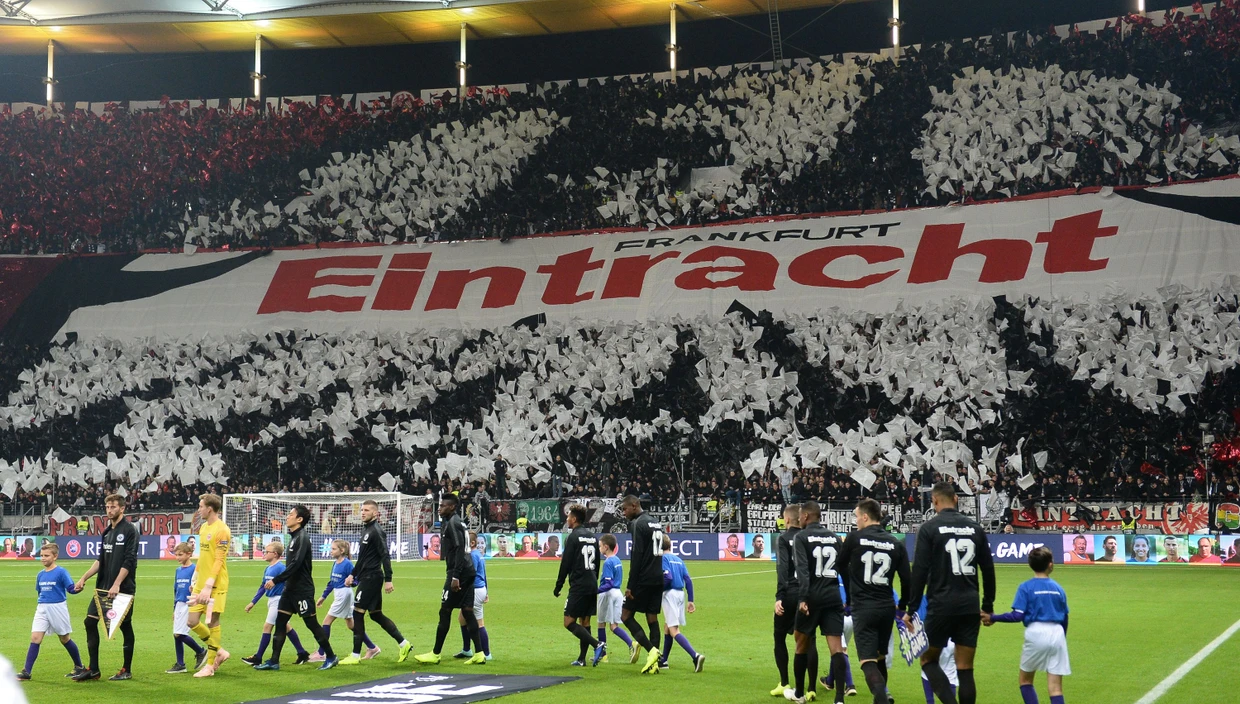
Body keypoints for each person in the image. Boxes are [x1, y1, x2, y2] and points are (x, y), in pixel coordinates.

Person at [905, 482, 996, 704]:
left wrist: (912, 608)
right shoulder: (975, 528)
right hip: (969, 605)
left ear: (934, 501)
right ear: (956, 499)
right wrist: (987, 606)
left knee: (928, 660)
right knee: (965, 668)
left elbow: (919, 571)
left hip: (941, 604)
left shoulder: (929, 528)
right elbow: (988, 569)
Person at [838, 498, 912, 704]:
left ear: (865, 516)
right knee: (880, 657)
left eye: (856, 516)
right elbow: (907, 579)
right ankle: (882, 697)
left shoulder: (854, 538)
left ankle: (882, 699)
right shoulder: (895, 543)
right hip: (886, 607)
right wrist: (902, 607)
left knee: (867, 662)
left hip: (863, 607)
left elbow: (840, 565)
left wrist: (850, 596)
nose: (856, 521)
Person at [983, 546, 1070, 704]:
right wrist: (1061, 637)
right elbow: (1065, 617)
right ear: (1050, 565)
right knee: (1056, 687)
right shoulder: (1059, 589)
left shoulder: (1026, 587)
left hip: (1036, 632)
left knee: (1025, 681)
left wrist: (993, 617)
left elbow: (1017, 615)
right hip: (1058, 633)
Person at [255, 504, 338, 671]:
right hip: (290, 589)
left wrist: (277, 580)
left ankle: (331, 656)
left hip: (302, 590)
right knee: (280, 623)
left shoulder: (302, 538)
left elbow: (296, 564)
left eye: (291, 514)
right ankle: (274, 661)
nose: (287, 516)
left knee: (311, 624)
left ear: (299, 519)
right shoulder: (293, 538)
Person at [72, 493, 139, 682]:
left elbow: (130, 560)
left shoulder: (130, 530)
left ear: (122, 508)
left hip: (123, 588)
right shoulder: (107, 532)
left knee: (125, 625)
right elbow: (100, 560)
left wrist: (117, 583)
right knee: (89, 622)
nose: (109, 510)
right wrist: (84, 578)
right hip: (102, 588)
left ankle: (126, 669)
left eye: (113, 507)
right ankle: (93, 669)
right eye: (107, 507)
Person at [788, 500, 846, 704]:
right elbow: (844, 569)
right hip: (833, 597)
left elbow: (803, 570)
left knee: (801, 644)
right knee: (837, 649)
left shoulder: (801, 537)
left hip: (812, 598)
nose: (799, 518)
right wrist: (847, 597)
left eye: (800, 515)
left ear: (805, 516)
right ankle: (839, 699)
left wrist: (803, 598)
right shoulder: (834, 537)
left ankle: (799, 694)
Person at [342, 499, 414, 664]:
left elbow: (385, 555)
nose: (363, 513)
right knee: (376, 615)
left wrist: (389, 579)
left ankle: (355, 655)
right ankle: (404, 644)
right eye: (362, 510)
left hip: (372, 577)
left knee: (357, 613)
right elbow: (362, 557)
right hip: (367, 576)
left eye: (367, 510)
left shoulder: (376, 531)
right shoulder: (366, 530)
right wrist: (353, 574)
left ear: (375, 513)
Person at [415, 494, 481, 664]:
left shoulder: (453, 523)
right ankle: (479, 653)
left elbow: (459, 548)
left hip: (459, 572)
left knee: (445, 611)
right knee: (467, 611)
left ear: (452, 507)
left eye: (443, 505)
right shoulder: (457, 522)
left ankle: (435, 653)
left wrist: (455, 576)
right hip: (468, 570)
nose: (439, 508)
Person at [17, 544, 85, 681]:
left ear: (55, 556)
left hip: (58, 607)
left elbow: (70, 589)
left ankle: (79, 666)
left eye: (46, 555)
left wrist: (78, 589)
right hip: (42, 607)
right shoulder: (40, 574)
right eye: (41, 555)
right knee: (35, 638)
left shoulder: (61, 572)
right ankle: (26, 672)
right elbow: (39, 592)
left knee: (64, 638)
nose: (43, 558)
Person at [240, 542, 310, 667]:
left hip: (279, 601)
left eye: (267, 552)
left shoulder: (280, 568)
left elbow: (291, 581)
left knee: (267, 627)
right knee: (286, 627)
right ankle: (302, 653)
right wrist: (253, 602)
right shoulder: (268, 568)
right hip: (271, 600)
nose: (264, 554)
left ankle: (258, 657)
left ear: (275, 554)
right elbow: (263, 586)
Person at [185, 493, 231, 677]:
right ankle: (219, 650)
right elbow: (203, 557)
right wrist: (195, 578)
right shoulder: (203, 528)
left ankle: (210, 666)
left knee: (212, 622)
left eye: (201, 506)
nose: (199, 509)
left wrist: (208, 585)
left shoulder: (222, 530)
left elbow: (218, 560)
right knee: (192, 621)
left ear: (210, 509)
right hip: (201, 583)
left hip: (216, 585)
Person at [554, 504, 605, 667]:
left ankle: (597, 644)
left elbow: (566, 564)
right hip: (591, 583)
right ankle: (582, 659)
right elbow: (597, 563)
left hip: (579, 586)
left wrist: (559, 585)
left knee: (568, 622)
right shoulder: (593, 537)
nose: (567, 519)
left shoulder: (573, 537)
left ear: (574, 519)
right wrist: (593, 580)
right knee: (585, 621)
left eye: (568, 517)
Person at [620, 495, 665, 673]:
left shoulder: (637, 524)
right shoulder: (655, 522)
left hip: (643, 579)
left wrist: (630, 585)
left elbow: (637, 556)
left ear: (634, 505)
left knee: (625, 616)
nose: (624, 513)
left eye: (625, 509)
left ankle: (652, 651)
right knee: (652, 618)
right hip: (658, 576)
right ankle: (655, 664)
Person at [311, 539, 375, 664]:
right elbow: (332, 582)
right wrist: (323, 596)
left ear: (342, 550)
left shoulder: (347, 564)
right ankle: (372, 647)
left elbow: (357, 579)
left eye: (333, 549)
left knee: (326, 621)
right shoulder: (335, 563)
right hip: (339, 593)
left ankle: (321, 653)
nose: (331, 551)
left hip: (344, 594)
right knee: (351, 624)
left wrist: (352, 583)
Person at [657, 534, 705, 673]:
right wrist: (691, 600)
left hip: (669, 594)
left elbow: (668, 577)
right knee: (667, 626)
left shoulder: (663, 559)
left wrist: (658, 589)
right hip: (680, 594)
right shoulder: (678, 559)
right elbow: (688, 580)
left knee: (673, 630)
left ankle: (695, 656)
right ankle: (664, 660)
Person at [772, 503, 802, 698]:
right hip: (807, 594)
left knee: (779, 636)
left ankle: (784, 682)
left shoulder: (783, 538)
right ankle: (809, 688)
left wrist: (779, 596)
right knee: (807, 639)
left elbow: (782, 569)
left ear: (787, 519)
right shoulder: (807, 537)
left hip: (789, 592)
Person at [166, 542, 208, 674]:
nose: (177, 557)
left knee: (180, 633)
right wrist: (174, 608)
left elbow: (199, 585)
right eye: (176, 555)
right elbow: (176, 589)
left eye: (180, 554)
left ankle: (200, 651)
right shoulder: (178, 570)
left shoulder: (194, 569)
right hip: (179, 604)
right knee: (176, 634)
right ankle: (180, 664)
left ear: (189, 554)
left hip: (189, 603)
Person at [596, 533, 635, 663]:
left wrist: (595, 591)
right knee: (614, 626)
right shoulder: (618, 560)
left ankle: (603, 655)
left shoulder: (608, 562)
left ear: (606, 547)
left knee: (601, 623)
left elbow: (608, 583)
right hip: (618, 593)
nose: (599, 548)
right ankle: (632, 644)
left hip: (608, 594)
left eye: (600, 546)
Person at [453, 531, 492, 662]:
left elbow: (471, 574)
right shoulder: (478, 555)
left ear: (472, 543)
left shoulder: (473, 556)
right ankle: (467, 650)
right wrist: (486, 591)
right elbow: (484, 574)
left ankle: (486, 653)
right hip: (480, 589)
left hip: (474, 590)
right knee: (462, 618)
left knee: (478, 623)